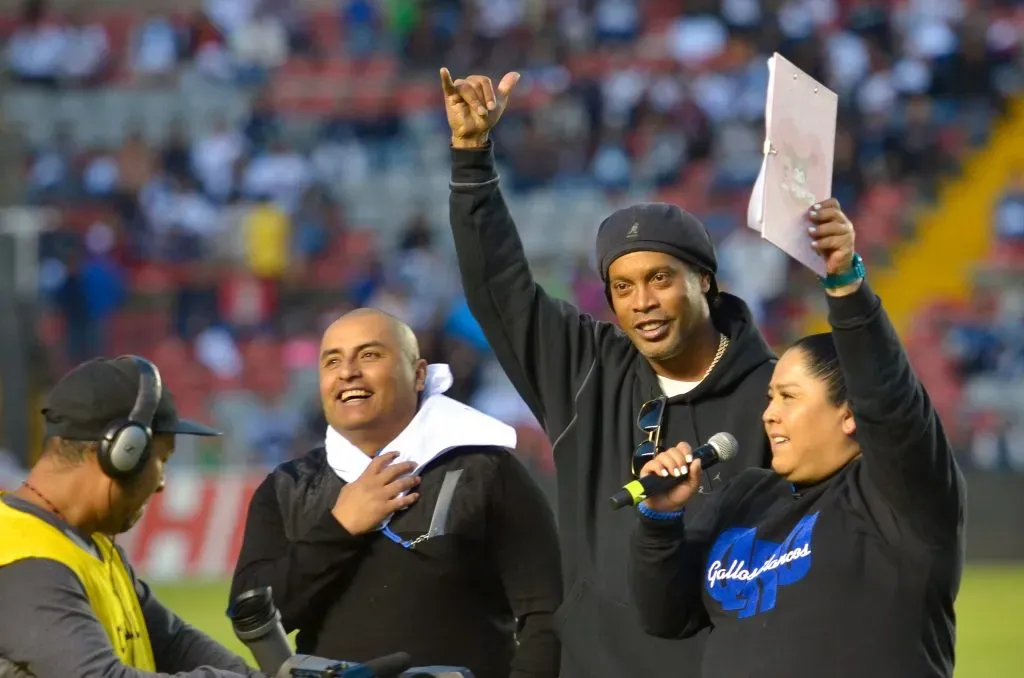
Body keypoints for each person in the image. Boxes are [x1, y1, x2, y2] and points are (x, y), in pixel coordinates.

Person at [439, 68, 776, 677]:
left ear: (704, 280)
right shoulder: (585, 369)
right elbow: (501, 292)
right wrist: (471, 160)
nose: (641, 302)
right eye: (622, 287)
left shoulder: (775, 393)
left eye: (659, 279)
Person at [629, 200, 965, 677]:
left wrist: (846, 285)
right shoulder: (746, 497)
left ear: (850, 414)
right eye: (770, 398)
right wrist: (660, 525)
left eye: (788, 397)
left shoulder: (899, 498)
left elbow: (889, 397)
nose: (769, 415)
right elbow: (663, 617)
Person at [230, 308, 562, 678]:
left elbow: (548, 615)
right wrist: (339, 529)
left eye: (369, 355)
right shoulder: (287, 487)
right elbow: (249, 612)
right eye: (332, 361)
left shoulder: (488, 471)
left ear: (419, 374)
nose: (347, 372)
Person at [0, 356, 265, 678]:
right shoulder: (24, 557)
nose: (162, 483)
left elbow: (173, 642)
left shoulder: (90, 545)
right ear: (124, 453)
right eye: (162, 460)